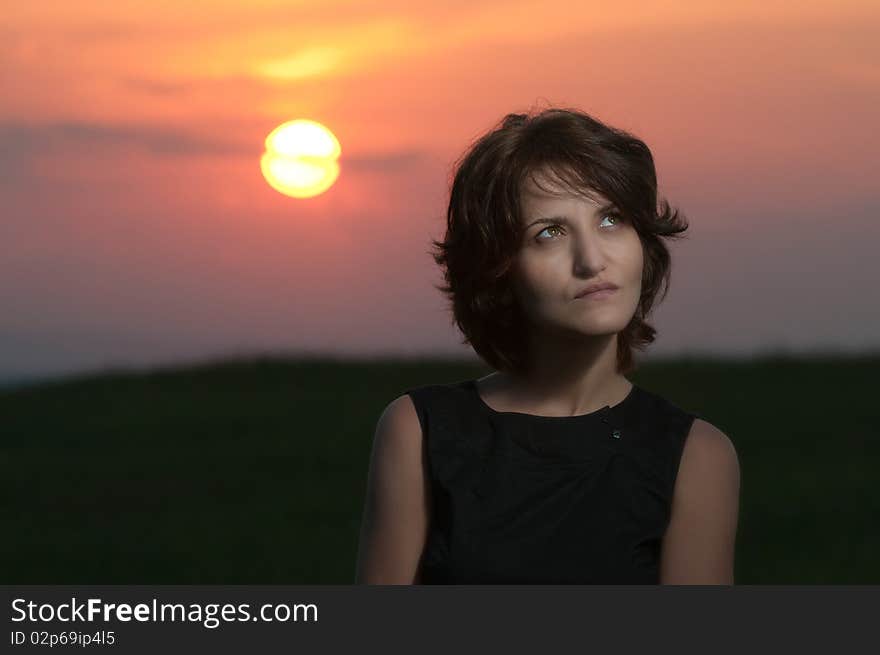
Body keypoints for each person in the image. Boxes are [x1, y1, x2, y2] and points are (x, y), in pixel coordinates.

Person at [354, 106, 740, 584]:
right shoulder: (420, 431)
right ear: (499, 267)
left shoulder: (697, 455)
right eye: (550, 232)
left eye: (611, 219)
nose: (592, 259)